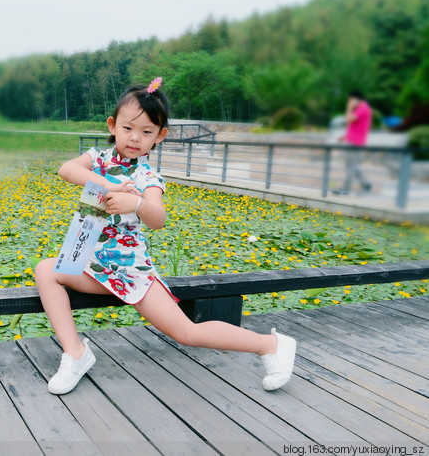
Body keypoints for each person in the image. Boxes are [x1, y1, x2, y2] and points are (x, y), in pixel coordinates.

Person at [35, 78, 297, 395]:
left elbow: (158, 219)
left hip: (131, 272)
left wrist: (137, 203)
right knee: (46, 270)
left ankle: (270, 344)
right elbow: (66, 169)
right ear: (112, 125)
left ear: (160, 136)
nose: (135, 138)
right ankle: (75, 353)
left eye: (147, 132)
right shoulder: (97, 160)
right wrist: (111, 187)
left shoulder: (149, 177)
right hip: (92, 264)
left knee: (186, 332)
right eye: (128, 128)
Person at [335, 90, 372, 194]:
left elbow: (349, 119)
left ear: (355, 99)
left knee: (350, 165)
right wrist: (345, 136)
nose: (349, 102)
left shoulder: (363, 108)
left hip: (355, 142)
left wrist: (349, 107)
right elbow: (356, 125)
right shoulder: (361, 108)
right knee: (352, 165)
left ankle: (346, 189)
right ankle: (366, 184)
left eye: (350, 100)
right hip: (353, 139)